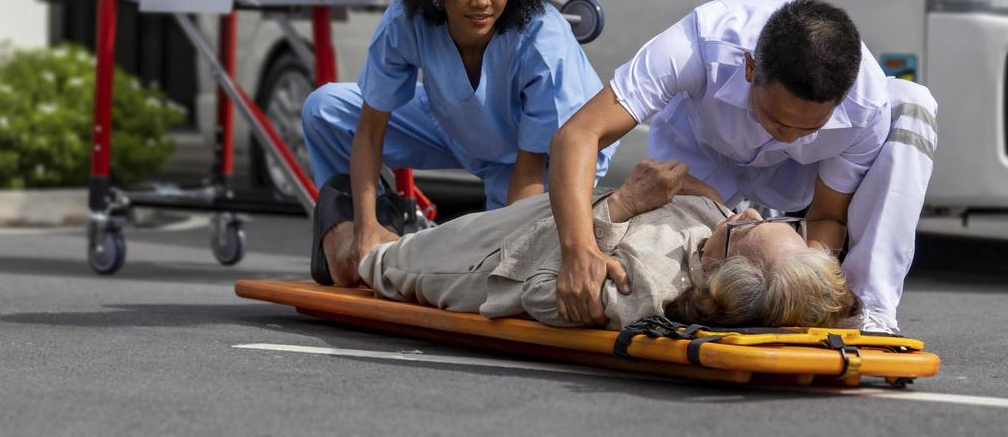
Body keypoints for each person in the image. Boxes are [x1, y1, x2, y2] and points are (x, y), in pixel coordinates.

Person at [548, 0, 937, 334]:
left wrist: (803, 288)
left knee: (913, 102)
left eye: (809, 127)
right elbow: (579, 135)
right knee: (651, 265)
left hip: (797, 175)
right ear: (750, 68)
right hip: (696, 163)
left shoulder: (866, 105)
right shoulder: (697, 43)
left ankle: (872, 313)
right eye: (779, 121)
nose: (789, 136)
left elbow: (827, 217)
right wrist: (578, 251)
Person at [302, 0, 613, 287]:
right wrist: (366, 228)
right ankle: (370, 227)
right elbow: (368, 131)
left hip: (548, 157)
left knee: (506, 256)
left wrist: (507, 251)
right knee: (325, 108)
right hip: (458, 121)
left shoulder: (543, 42)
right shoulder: (404, 21)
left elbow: (529, 173)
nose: (481, 1)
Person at [333, 157, 859, 330]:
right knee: (414, 232)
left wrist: (625, 203)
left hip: (489, 261)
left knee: (370, 262)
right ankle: (382, 221)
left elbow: (537, 289)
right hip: (538, 216)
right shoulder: (722, 235)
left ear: (725, 276)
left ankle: (338, 238)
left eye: (748, 227)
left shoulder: (645, 290)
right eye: (767, 216)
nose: (744, 211)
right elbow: (706, 203)